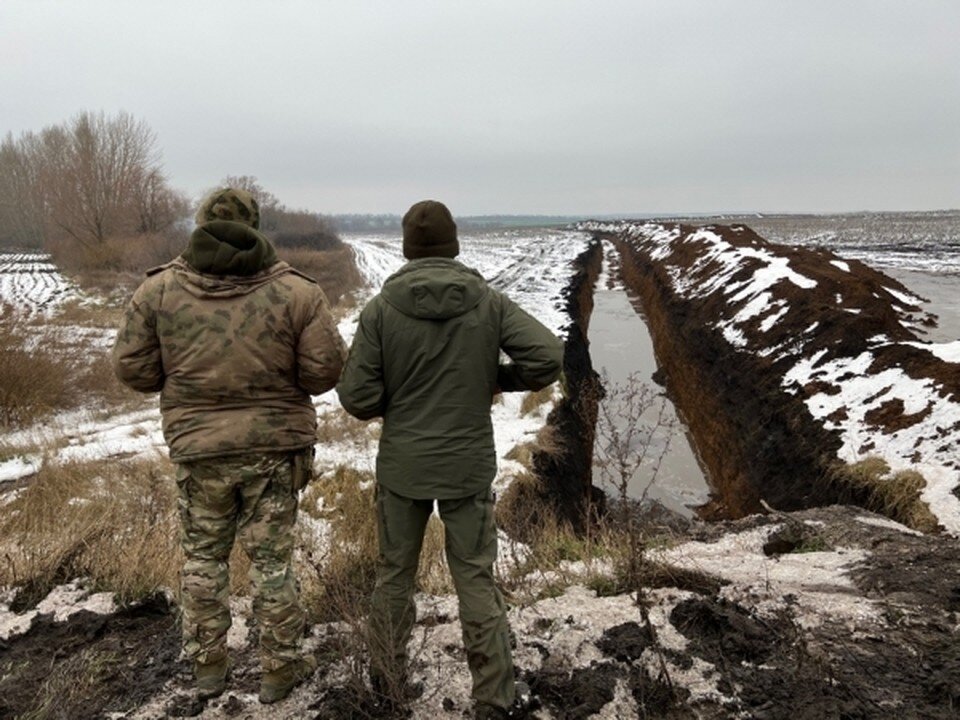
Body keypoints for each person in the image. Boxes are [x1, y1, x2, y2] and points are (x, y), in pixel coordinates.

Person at [113, 187, 346, 704]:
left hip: (199, 450)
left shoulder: (158, 291)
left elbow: (133, 369)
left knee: (202, 561)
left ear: (199, 223)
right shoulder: (298, 293)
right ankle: (279, 670)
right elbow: (324, 372)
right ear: (257, 225)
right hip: (274, 449)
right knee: (272, 565)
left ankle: (208, 668)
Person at [337, 199, 564, 718]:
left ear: (408, 247)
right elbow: (547, 358)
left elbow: (357, 398)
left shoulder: (381, 309)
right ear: (454, 243)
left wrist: (398, 394)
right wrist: (493, 378)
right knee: (475, 580)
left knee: (393, 577)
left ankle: (387, 689)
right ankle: (494, 698)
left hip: (403, 468)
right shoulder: (487, 302)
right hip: (466, 467)